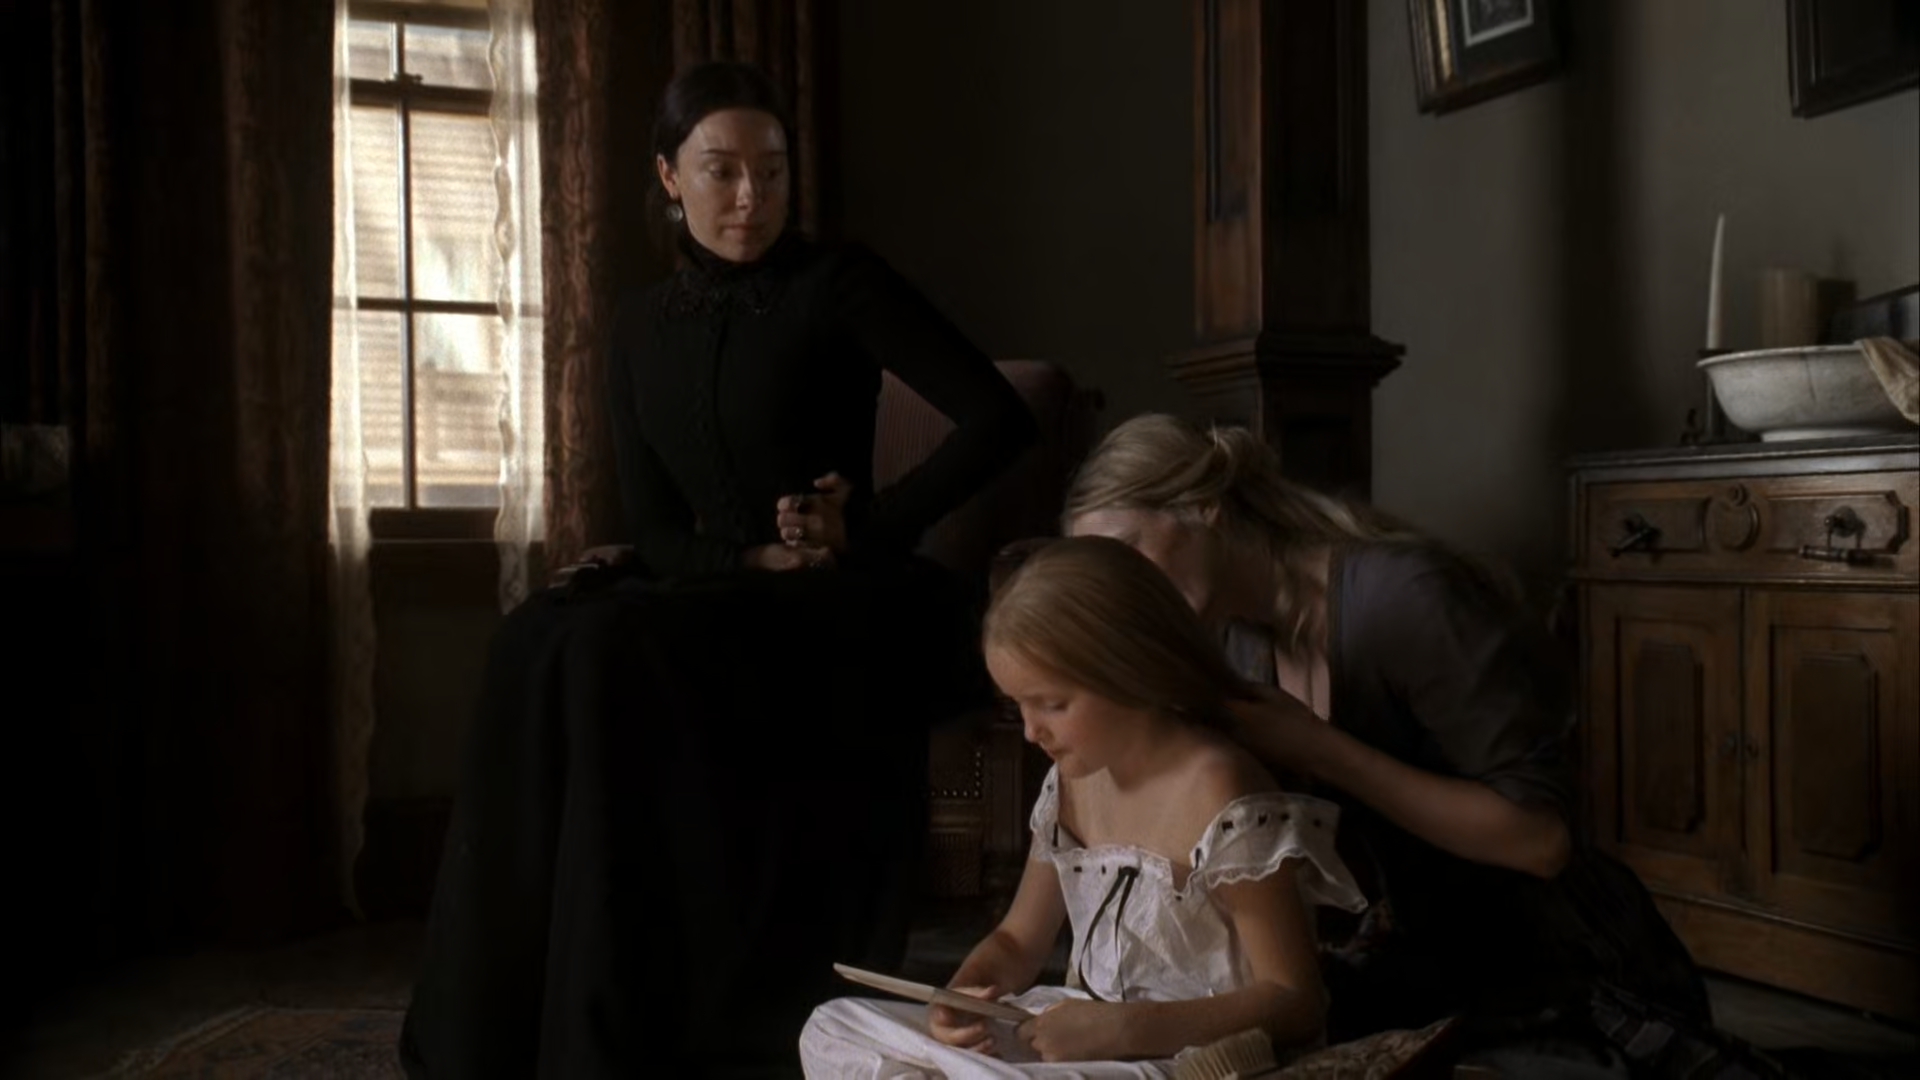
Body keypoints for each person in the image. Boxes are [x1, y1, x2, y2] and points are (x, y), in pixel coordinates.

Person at [399, 61, 1037, 1080]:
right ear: (668, 176)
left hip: (845, 602)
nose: (750, 197)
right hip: (715, 584)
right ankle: (500, 1024)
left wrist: (863, 527)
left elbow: (998, 418)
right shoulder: (637, 323)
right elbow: (651, 524)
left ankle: (617, 1024)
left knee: (611, 649)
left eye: (772, 172)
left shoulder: (840, 282)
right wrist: (744, 555)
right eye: (722, 170)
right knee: (534, 635)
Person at [1062, 414, 1781, 1078]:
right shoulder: (1233, 643)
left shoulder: (1402, 597)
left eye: (1128, 554)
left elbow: (1541, 841)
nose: (1121, 592)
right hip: (1423, 963)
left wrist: (1319, 747)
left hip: (1561, 971)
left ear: (1203, 508)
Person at [799, 536, 1368, 1078]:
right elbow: (1017, 941)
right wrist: (958, 998)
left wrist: (1125, 1029)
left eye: (1051, 704)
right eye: (1018, 705)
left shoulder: (1221, 788)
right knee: (833, 1024)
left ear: (1130, 671)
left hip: (1182, 1059)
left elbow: (1296, 999)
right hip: (1075, 1034)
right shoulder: (1072, 781)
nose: (1030, 731)